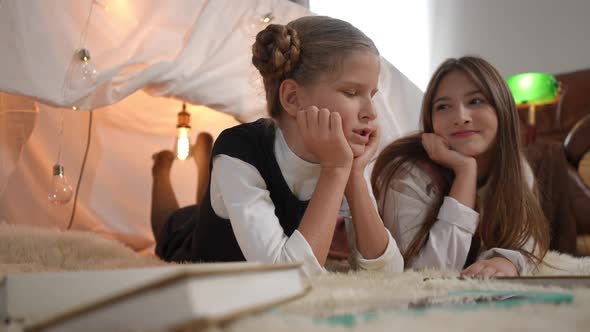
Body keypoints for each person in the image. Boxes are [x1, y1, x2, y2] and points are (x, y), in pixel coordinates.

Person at [150, 16, 403, 276]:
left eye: (372, 95)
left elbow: (390, 272)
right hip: (188, 238)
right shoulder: (239, 149)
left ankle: (205, 167)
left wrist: (353, 174)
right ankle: (160, 169)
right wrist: (335, 170)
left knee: (213, 197)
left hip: (235, 201)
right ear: (293, 98)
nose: (371, 112)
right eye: (351, 93)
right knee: (169, 226)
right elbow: (286, 275)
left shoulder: (340, 157)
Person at [371, 56, 550, 277]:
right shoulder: (407, 174)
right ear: (430, 119)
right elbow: (428, 274)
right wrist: (465, 173)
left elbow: (528, 241)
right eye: (443, 106)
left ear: (501, 108)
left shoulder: (517, 169)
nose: (461, 117)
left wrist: (509, 261)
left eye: (475, 101)